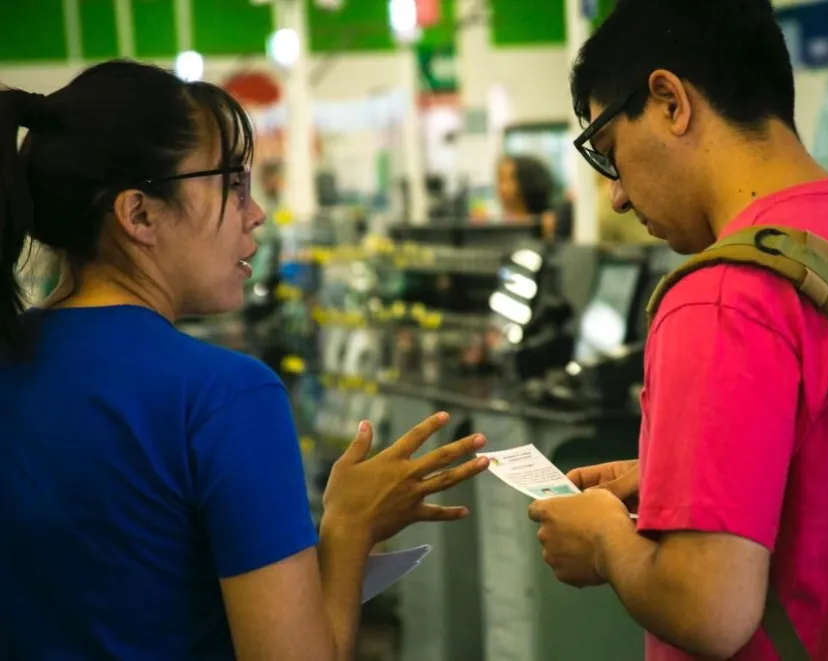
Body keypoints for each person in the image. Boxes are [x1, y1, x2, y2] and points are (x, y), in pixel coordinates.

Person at [0, 60, 490, 661]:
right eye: (232, 185)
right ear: (139, 214)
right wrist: (348, 526)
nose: (255, 212)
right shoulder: (224, 396)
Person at [527, 1, 828, 660]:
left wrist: (606, 540)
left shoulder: (720, 296)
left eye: (610, 153)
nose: (619, 196)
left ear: (669, 101)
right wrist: (686, 475)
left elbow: (710, 607)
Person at [495, 154, 556, 221]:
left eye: (505, 179)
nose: (500, 187)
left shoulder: (549, 221)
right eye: (499, 180)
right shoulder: (501, 222)